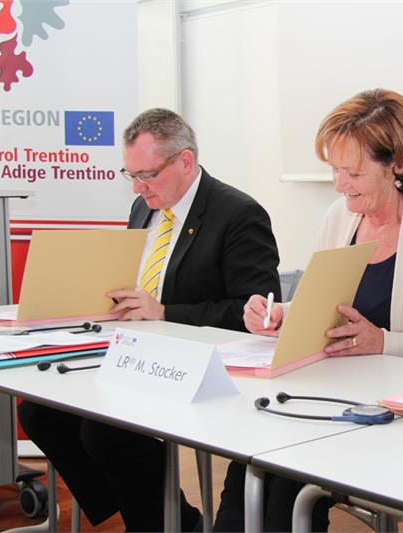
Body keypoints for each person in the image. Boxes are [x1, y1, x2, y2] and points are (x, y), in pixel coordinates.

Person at [215, 89, 403, 531]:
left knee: (284, 480)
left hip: (396, 416)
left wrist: (384, 342)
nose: (340, 184)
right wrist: (283, 314)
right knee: (250, 463)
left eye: (354, 172)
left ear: (399, 165)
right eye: (335, 170)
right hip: (333, 397)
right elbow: (325, 306)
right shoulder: (339, 217)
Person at [18, 108, 282, 531]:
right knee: (39, 413)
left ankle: (165, 522)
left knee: (105, 432)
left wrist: (163, 312)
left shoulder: (238, 214)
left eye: (147, 175)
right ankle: (139, 513)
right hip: (135, 351)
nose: (138, 188)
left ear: (185, 161)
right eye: (131, 175)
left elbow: (253, 313)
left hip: (199, 364)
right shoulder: (145, 210)